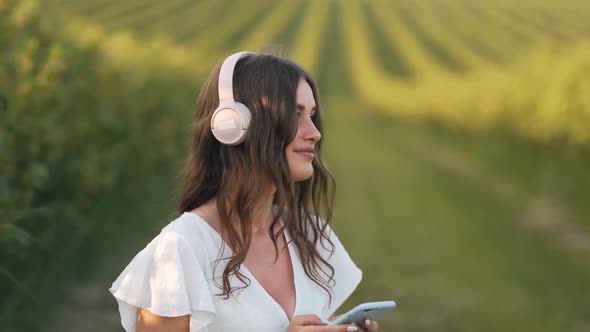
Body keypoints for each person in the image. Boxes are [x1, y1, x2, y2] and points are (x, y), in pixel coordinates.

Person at [109, 52, 380, 332]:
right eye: (294, 115)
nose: (314, 132)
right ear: (235, 124)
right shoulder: (180, 249)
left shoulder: (310, 234)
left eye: (311, 115)